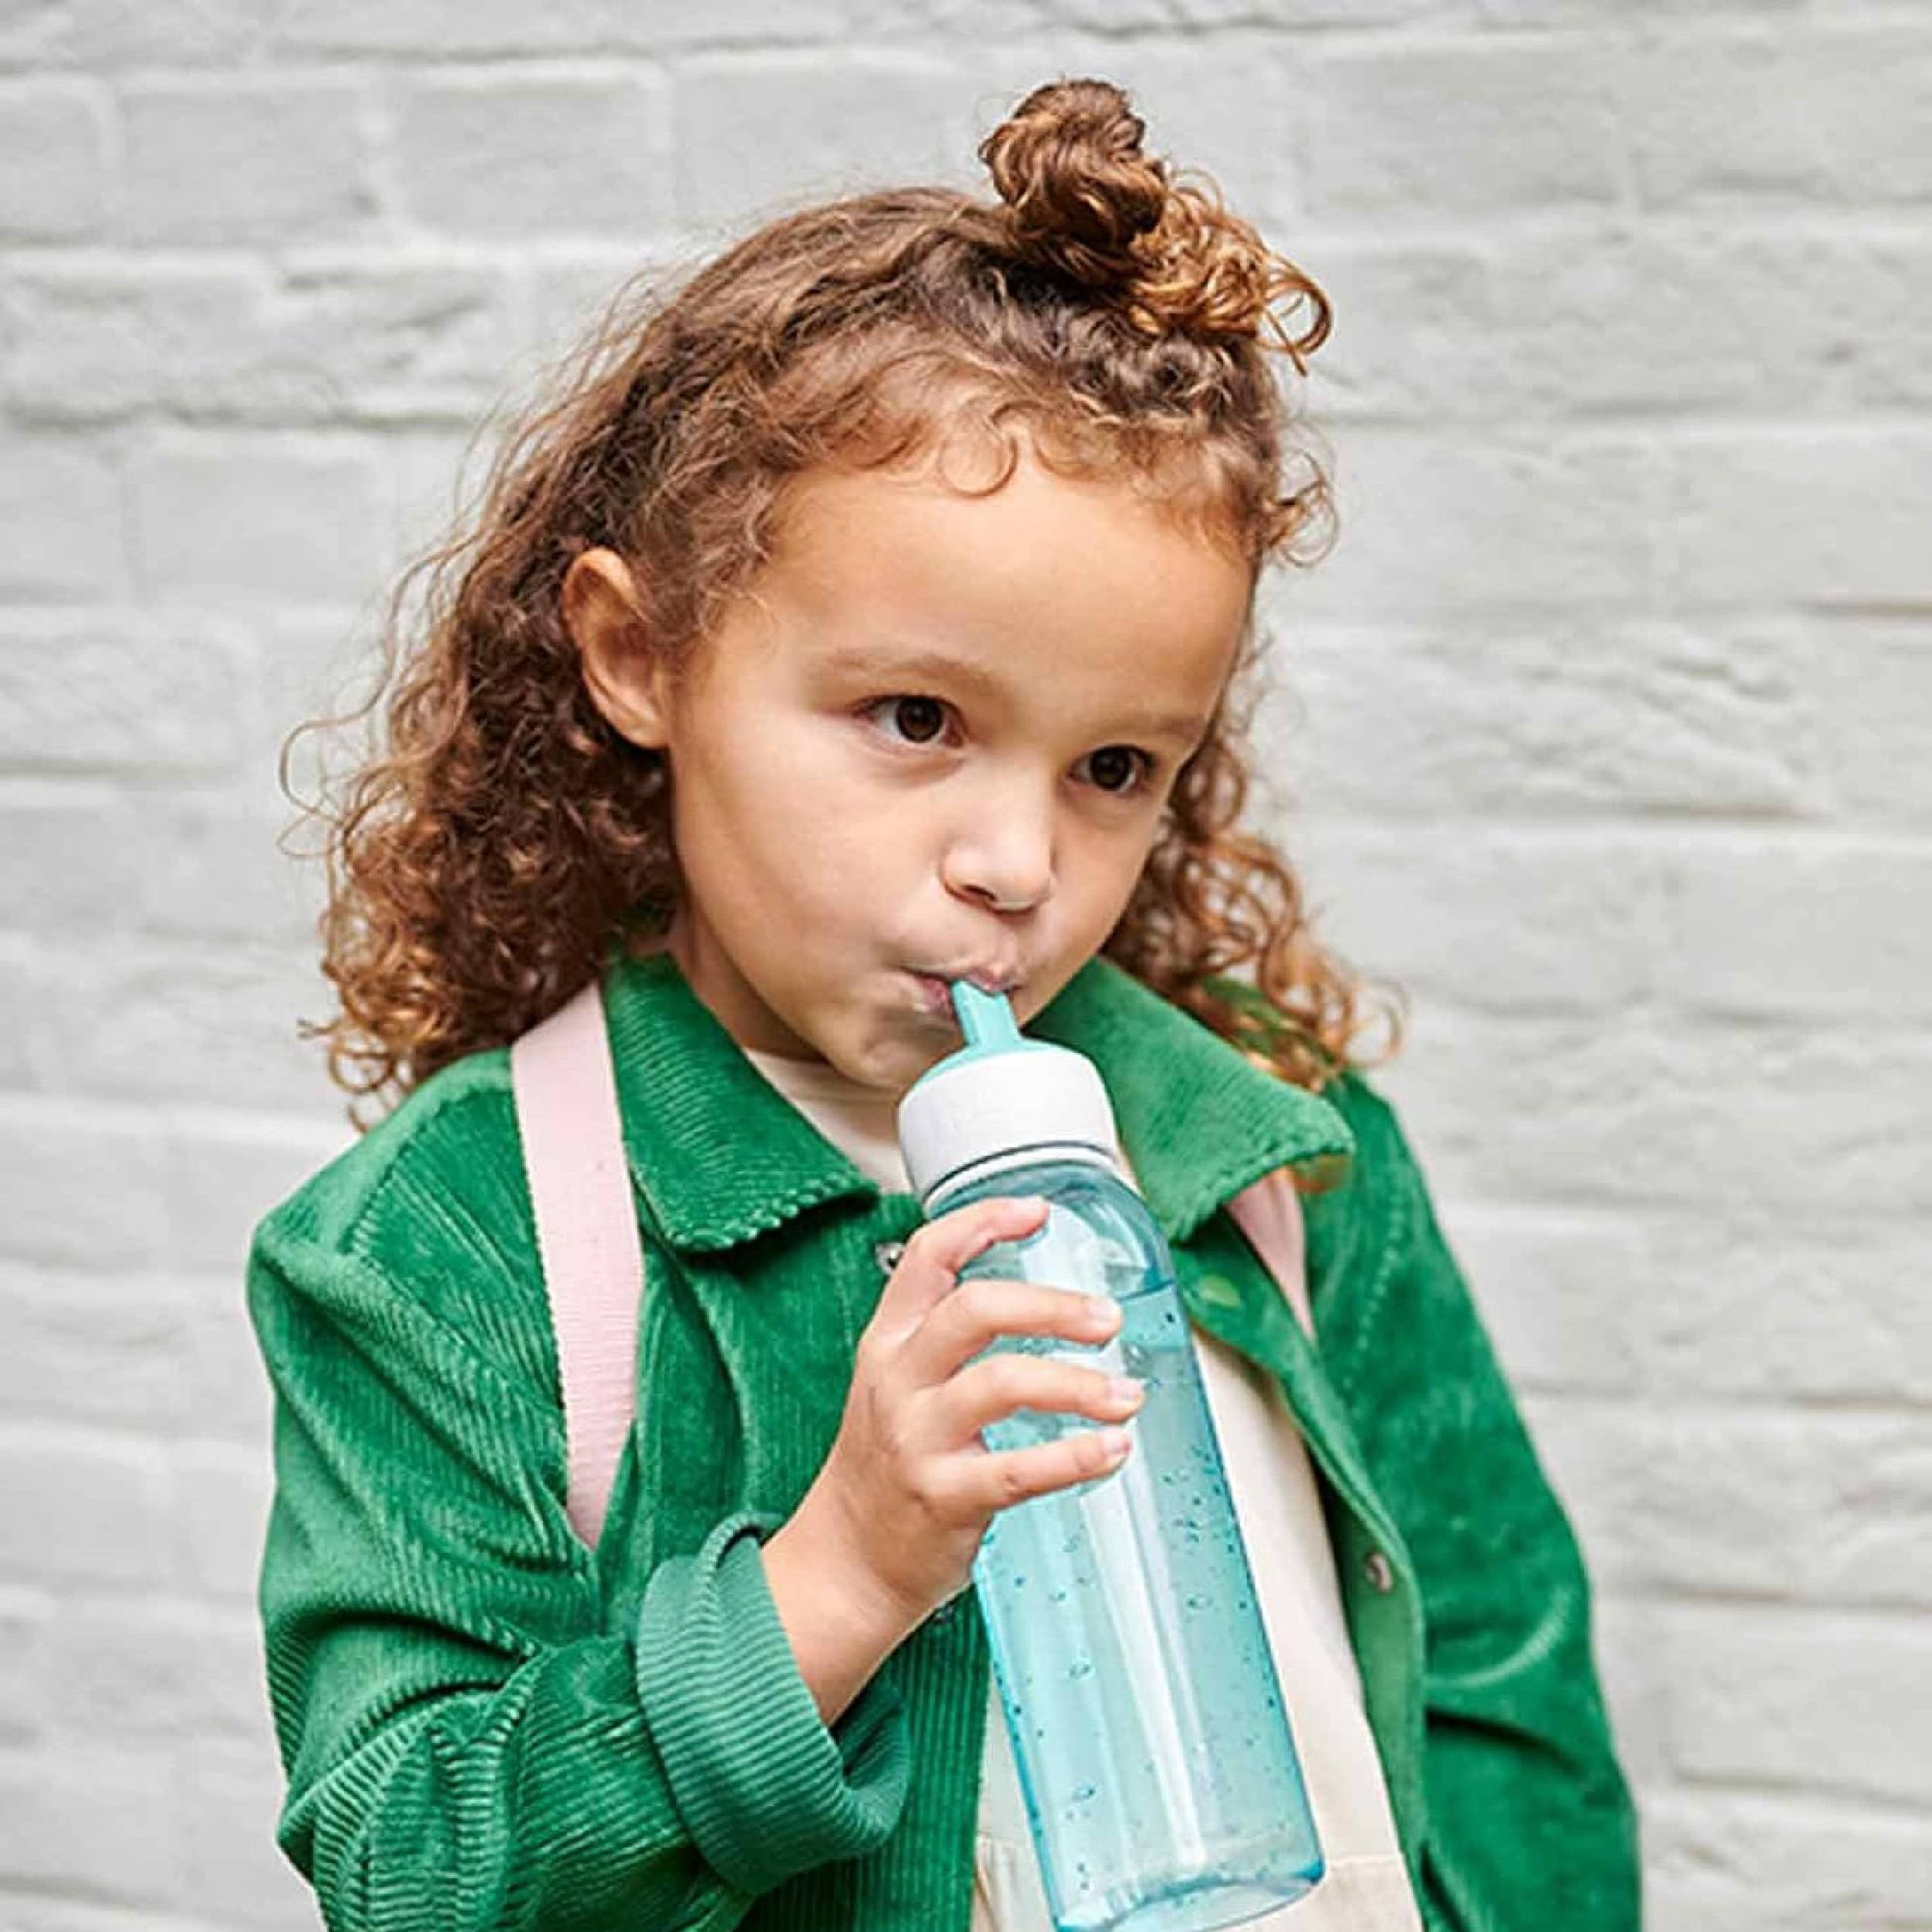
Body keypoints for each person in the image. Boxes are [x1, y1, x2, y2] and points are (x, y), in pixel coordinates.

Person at [247, 76, 1641, 1932]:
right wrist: (835, 1573)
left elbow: (1502, 1708)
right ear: (637, 653)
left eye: (1116, 761)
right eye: (916, 718)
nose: (1014, 860)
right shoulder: (444, 1244)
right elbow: (406, 1864)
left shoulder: (1281, 1157)